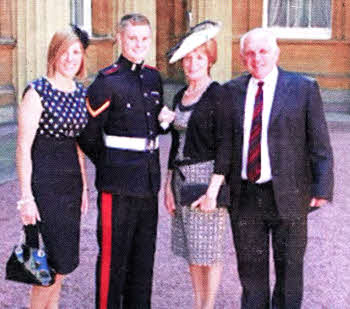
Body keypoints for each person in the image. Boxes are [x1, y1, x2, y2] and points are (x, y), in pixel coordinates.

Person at [224, 28, 334, 309]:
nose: (256, 58)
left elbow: (319, 142)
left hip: (289, 194)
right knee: (251, 275)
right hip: (246, 196)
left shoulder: (303, 88)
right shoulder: (231, 91)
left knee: (290, 274)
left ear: (276, 53)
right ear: (241, 57)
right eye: (249, 53)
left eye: (263, 51)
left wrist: (322, 187)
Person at [77, 14, 174, 309]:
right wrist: (109, 165)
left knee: (143, 261)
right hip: (117, 186)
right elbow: (87, 134)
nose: (139, 44)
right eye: (132, 38)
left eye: (144, 39)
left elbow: (148, 127)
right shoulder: (107, 81)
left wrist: (165, 125)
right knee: (112, 260)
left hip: (147, 184)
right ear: (120, 38)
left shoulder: (153, 77)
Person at [16, 26, 89, 309]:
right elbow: (22, 148)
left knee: (62, 265)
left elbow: (78, 145)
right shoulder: (37, 91)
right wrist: (26, 198)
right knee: (43, 270)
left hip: (70, 187)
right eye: (65, 52)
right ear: (54, 55)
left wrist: (83, 186)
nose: (71, 58)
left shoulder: (79, 92)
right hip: (43, 187)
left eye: (76, 52)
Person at [165, 21, 234, 309]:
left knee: (209, 252)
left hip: (207, 181)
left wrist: (213, 192)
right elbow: (173, 145)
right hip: (181, 180)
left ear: (210, 60)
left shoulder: (218, 94)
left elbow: (226, 145)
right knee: (192, 251)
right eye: (188, 57)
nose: (193, 63)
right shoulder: (180, 96)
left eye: (200, 57)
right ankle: (197, 303)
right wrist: (167, 187)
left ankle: (208, 306)